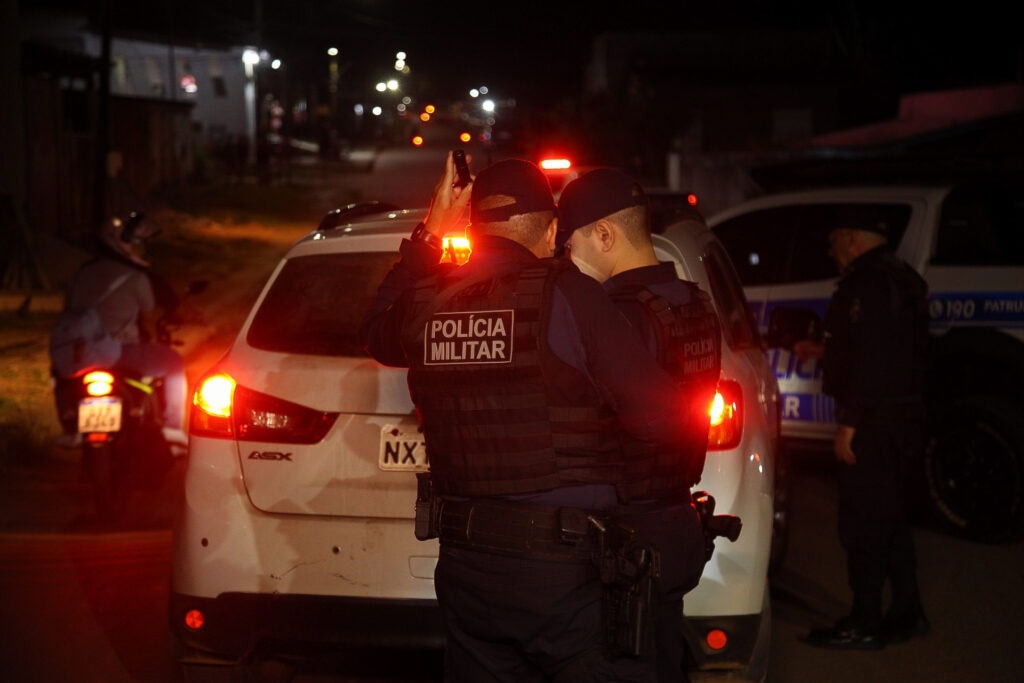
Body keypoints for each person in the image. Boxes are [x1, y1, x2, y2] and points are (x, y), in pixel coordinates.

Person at [360, 155, 705, 682]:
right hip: (569, 579)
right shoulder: (568, 295)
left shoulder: (428, 300)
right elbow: (662, 420)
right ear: (547, 230)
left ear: (474, 229)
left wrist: (431, 231)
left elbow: (376, 331)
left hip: (468, 574)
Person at [557, 168, 722, 682]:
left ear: (604, 234)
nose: (568, 258)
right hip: (676, 520)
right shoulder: (694, 302)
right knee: (662, 659)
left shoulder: (614, 315)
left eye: (573, 243)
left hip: (623, 533)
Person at [793, 206, 930, 650]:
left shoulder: (866, 284)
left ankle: (865, 621)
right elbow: (887, 350)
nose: (831, 250)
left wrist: (850, 425)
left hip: (874, 424)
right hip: (902, 419)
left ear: (852, 238)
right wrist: (824, 352)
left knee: (864, 524)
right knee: (890, 520)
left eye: (835, 240)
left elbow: (875, 363)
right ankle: (908, 613)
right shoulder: (900, 276)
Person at [58, 211, 188, 450]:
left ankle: (69, 425)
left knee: (58, 372)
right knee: (174, 364)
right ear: (121, 242)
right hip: (122, 353)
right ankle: (172, 427)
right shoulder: (136, 278)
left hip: (83, 354)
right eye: (136, 244)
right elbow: (148, 319)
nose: (141, 250)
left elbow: (70, 312)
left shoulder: (81, 275)